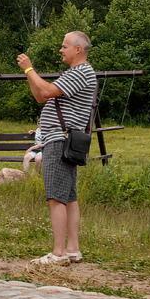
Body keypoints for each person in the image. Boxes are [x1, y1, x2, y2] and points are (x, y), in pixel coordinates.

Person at [18, 31, 98, 266]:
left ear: (77, 50)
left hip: (58, 140)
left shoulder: (81, 72)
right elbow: (41, 98)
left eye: (64, 46)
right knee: (69, 197)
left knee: (55, 197)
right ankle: (72, 250)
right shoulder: (78, 73)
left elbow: (45, 91)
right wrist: (28, 74)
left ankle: (59, 253)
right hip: (66, 139)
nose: (60, 50)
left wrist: (29, 69)